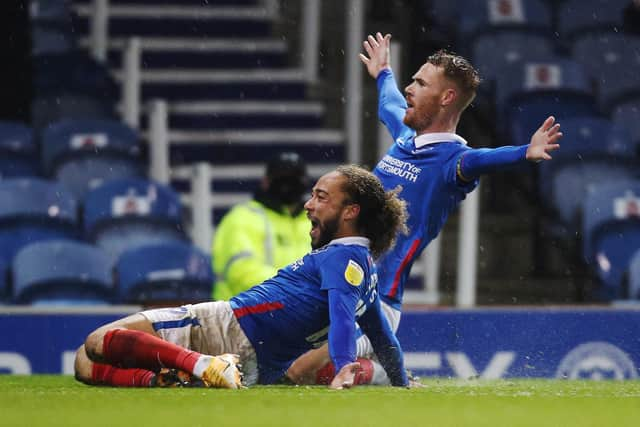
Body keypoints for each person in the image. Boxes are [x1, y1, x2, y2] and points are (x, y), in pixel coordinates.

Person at [286, 32, 563, 385]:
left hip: (376, 301)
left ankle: (386, 372)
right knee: (284, 362)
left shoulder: (453, 162)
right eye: (412, 79)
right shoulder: (404, 135)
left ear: (447, 97)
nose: (409, 88)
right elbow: (388, 101)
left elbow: (482, 160)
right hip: (337, 284)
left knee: (301, 371)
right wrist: (384, 72)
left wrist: (525, 151)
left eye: (419, 82)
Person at [74, 165, 410, 389]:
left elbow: (340, 320)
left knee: (96, 343)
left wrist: (344, 367)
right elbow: (383, 340)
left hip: (227, 326)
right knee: (85, 368)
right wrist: (401, 384)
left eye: (321, 197)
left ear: (351, 211)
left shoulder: (341, 257)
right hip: (255, 368)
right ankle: (167, 380)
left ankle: (203, 364)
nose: (309, 204)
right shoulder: (364, 272)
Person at [212, 151, 311, 301]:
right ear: (265, 181)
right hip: (243, 317)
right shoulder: (243, 217)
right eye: (282, 178)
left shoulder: (314, 219)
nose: (288, 185)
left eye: (295, 179)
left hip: (302, 315)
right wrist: (298, 288)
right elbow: (242, 273)